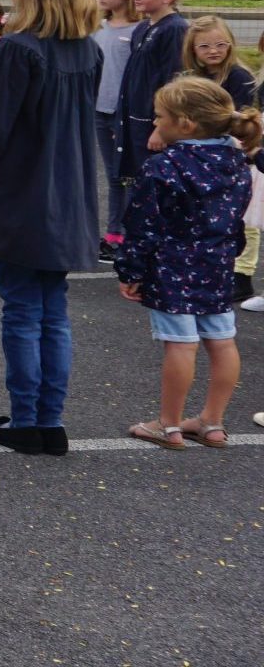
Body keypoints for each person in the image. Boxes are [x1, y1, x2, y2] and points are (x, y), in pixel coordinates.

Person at [0, 0, 105, 457]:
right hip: (70, 194)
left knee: (23, 311)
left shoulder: (17, 51)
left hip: (25, 196)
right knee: (53, 311)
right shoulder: (86, 49)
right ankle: (49, 419)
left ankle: (27, 419)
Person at [116, 76, 254, 451]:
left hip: (172, 266)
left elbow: (144, 224)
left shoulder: (165, 166)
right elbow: (236, 214)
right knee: (222, 340)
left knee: (180, 344)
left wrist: (131, 271)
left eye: (160, 117)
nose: (156, 123)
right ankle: (212, 421)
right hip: (219, 262)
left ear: (185, 123)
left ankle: (169, 424)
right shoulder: (236, 160)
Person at [115, 0, 190, 263]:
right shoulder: (145, 27)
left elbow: (173, 82)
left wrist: (161, 127)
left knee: (156, 191)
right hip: (133, 124)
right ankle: (142, 251)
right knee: (138, 186)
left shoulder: (175, 30)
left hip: (153, 126)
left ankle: (159, 254)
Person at [91, 0, 140, 249]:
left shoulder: (138, 29)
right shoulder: (99, 27)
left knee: (129, 176)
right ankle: (113, 233)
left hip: (126, 114)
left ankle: (131, 233)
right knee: (112, 175)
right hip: (100, 110)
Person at [180, 15, 253, 109]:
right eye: (204, 46)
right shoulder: (192, 76)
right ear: (192, 49)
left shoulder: (239, 77)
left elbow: (241, 117)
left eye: (220, 45)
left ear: (230, 45)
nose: (213, 51)